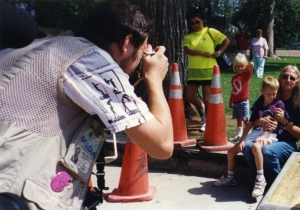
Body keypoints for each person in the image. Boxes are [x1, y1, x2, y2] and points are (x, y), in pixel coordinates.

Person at [0, 1, 173, 209]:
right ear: (127, 42)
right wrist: (153, 77)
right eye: (143, 53)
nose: (142, 62)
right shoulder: (91, 61)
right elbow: (162, 145)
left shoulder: (44, 47)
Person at [241, 65, 300, 195]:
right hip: (264, 136)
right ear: (280, 78)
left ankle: (276, 186)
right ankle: (260, 180)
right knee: (247, 147)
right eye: (285, 76)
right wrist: (259, 121)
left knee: (267, 151)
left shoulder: (299, 104)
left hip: (286, 143)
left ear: (297, 82)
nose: (288, 80)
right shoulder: (268, 95)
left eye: (292, 78)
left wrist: (285, 121)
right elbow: (253, 120)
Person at [215, 76, 287, 198]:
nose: (271, 96)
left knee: (256, 147)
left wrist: (264, 136)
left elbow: (274, 124)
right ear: (262, 91)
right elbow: (250, 123)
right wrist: (242, 139)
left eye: (274, 94)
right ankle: (230, 177)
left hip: (271, 134)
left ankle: (260, 179)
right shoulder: (259, 103)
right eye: (268, 93)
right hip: (256, 132)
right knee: (231, 152)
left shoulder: (278, 104)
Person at [182, 10, 230, 131]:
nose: (195, 25)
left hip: (209, 68)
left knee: (208, 96)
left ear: (203, 21)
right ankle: (202, 108)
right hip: (194, 69)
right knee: (188, 95)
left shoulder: (210, 31)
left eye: (197, 22)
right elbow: (187, 50)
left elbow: (226, 40)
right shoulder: (188, 36)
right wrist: (202, 53)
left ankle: (208, 121)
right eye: (192, 23)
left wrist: (219, 52)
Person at [228, 53, 254, 141]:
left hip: (243, 102)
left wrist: (246, 66)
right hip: (235, 102)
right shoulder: (234, 77)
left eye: (242, 66)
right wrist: (230, 101)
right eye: (238, 66)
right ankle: (239, 134)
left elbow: (252, 65)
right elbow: (233, 90)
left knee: (246, 119)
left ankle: (249, 135)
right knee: (238, 119)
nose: (240, 68)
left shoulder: (246, 75)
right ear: (235, 67)